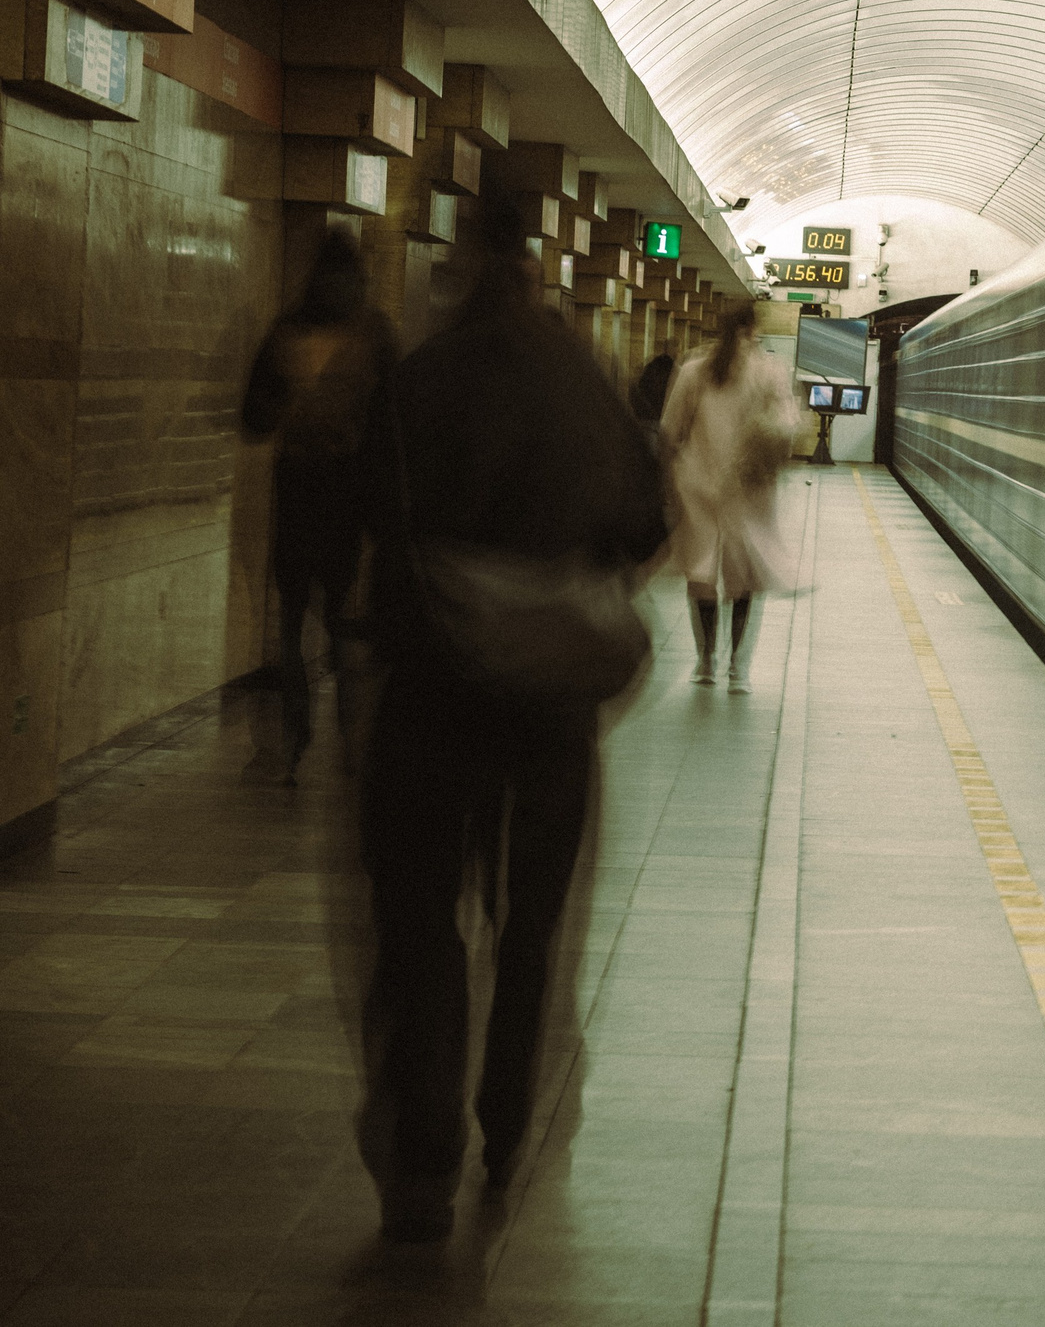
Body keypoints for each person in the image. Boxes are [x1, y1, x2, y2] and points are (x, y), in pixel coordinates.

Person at [357, 191, 667, 1242]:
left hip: (432, 697)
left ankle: (426, 1143)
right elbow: (645, 522)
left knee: (420, 924)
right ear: (538, 265)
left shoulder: (421, 376)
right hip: (549, 712)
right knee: (529, 928)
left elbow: (376, 526)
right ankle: (505, 1119)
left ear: (460, 262)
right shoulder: (582, 378)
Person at [240, 230, 399, 781]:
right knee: (341, 622)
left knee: (290, 622)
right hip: (348, 494)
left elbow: (254, 415)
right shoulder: (373, 333)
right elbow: (393, 422)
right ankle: (348, 739)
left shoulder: (290, 328)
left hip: (301, 487)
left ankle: (294, 738)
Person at [661, 299, 797, 690]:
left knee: (701, 575)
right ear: (754, 329)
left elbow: (670, 432)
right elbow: (786, 429)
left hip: (698, 486)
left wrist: (668, 485)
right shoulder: (770, 371)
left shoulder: (693, 370)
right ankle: (739, 667)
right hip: (750, 490)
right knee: (745, 580)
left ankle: (706, 661)